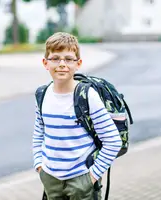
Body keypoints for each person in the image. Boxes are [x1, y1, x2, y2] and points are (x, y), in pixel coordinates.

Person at [32, 32, 122, 200]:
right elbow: (39, 133)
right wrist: (39, 166)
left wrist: (91, 178)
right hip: (51, 178)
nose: (61, 64)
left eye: (68, 59)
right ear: (45, 63)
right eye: (55, 58)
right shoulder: (42, 95)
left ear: (78, 63)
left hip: (81, 179)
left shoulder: (88, 96)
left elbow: (113, 141)